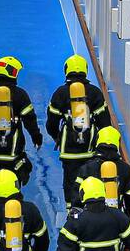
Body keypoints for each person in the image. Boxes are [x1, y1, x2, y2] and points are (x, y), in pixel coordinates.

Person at [0, 54, 43, 195]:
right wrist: (37, 138)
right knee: (17, 174)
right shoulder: (21, 95)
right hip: (13, 152)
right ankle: (12, 201)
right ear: (12, 72)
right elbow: (30, 120)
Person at [45, 54, 110, 202]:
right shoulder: (95, 93)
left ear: (67, 70)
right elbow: (105, 123)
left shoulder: (60, 93)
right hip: (91, 151)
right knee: (92, 182)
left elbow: (51, 124)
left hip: (69, 153)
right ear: (85, 70)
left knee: (70, 184)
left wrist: (58, 138)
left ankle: (72, 213)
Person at [71, 126, 130, 221]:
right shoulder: (125, 169)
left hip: (90, 219)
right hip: (115, 218)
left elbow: (77, 196)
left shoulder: (87, 168)